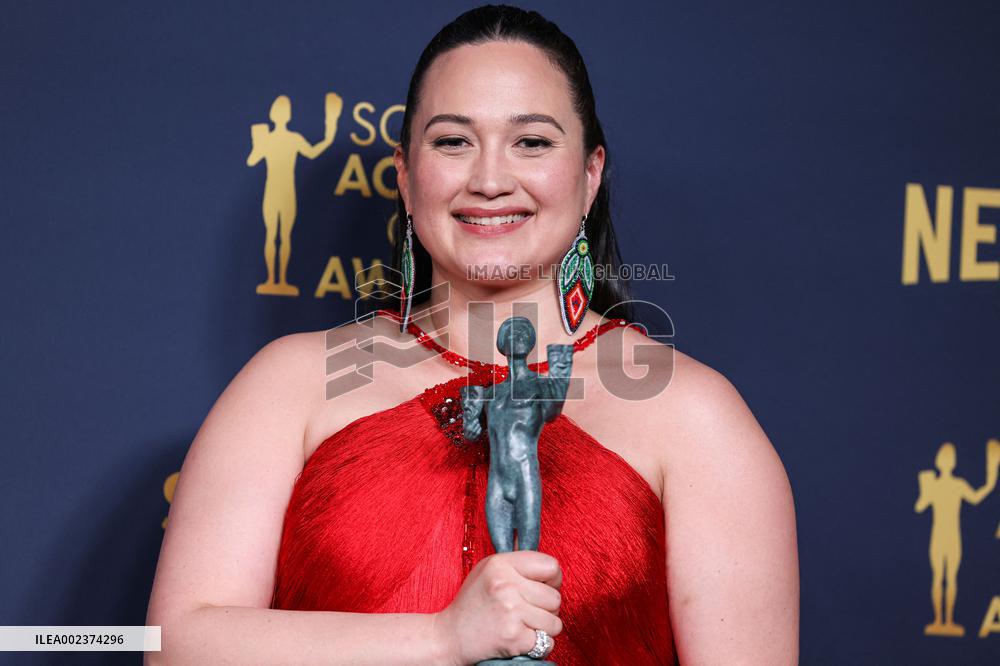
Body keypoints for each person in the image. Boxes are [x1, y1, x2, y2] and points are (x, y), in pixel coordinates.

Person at [145, 5, 799, 664]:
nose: (489, 180)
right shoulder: (289, 385)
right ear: (404, 175)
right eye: (453, 141)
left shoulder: (693, 416)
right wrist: (442, 637)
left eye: (533, 142)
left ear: (590, 175)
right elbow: (177, 646)